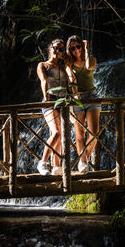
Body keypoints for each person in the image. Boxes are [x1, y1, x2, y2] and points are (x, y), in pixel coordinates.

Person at [36, 38, 77, 175]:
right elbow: (44, 81)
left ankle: (57, 166)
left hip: (63, 102)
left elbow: (69, 82)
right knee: (57, 133)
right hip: (50, 100)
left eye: (61, 49)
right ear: (49, 48)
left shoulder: (63, 67)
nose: (58, 51)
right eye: (56, 48)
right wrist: (47, 98)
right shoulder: (43, 65)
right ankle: (43, 162)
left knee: (60, 134)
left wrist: (74, 95)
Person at [66, 35, 101, 173]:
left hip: (92, 96)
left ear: (82, 46)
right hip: (77, 99)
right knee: (79, 134)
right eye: (72, 48)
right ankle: (83, 163)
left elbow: (88, 66)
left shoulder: (91, 59)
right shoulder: (68, 62)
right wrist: (75, 93)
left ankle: (84, 157)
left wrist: (86, 49)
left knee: (94, 133)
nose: (76, 50)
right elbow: (70, 76)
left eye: (78, 46)